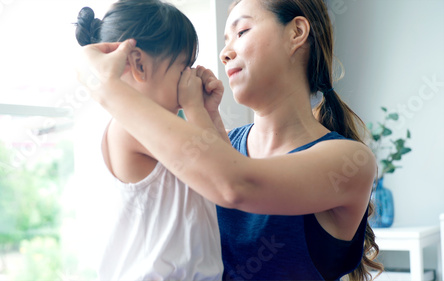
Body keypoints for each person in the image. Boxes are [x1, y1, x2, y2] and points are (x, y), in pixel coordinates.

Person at [77, 0, 385, 280]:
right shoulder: (220, 147)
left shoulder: (348, 161)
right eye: (225, 41)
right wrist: (205, 115)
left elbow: (236, 184)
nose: (225, 53)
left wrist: (105, 86)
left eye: (243, 31)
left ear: (297, 32)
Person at [74, 1, 224, 280]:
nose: (190, 76)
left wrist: (210, 112)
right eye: (184, 66)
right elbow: (218, 170)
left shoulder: (167, 129)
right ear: (139, 64)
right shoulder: (130, 129)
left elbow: (230, 170)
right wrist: (195, 109)